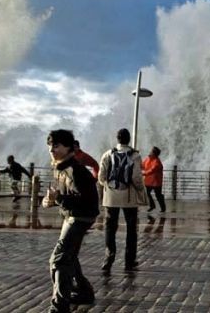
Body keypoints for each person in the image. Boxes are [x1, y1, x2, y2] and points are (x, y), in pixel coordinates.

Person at [42, 129, 99, 313]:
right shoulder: (60, 167)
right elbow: (63, 194)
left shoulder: (75, 170)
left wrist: (58, 199)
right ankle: (84, 292)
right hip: (71, 215)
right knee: (70, 257)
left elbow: (86, 200)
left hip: (80, 217)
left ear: (68, 147)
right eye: (50, 145)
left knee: (58, 260)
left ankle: (59, 306)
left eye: (56, 145)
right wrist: (50, 200)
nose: (52, 149)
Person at [98, 128, 146, 272]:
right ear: (128, 139)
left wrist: (108, 186)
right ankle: (129, 261)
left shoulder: (108, 154)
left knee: (110, 228)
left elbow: (101, 177)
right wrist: (140, 190)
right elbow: (136, 177)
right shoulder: (135, 155)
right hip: (129, 197)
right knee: (131, 229)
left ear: (117, 139)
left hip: (111, 196)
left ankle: (109, 258)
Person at [142, 146, 166, 213]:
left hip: (156, 182)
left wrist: (142, 173)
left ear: (154, 153)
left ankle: (163, 208)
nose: (150, 152)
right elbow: (142, 165)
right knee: (146, 193)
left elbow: (151, 170)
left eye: (151, 151)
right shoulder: (148, 159)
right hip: (148, 181)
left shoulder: (157, 162)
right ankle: (152, 205)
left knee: (158, 195)